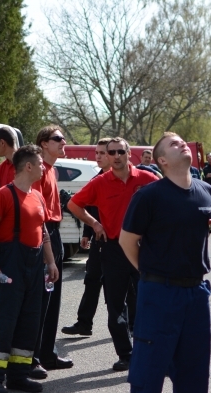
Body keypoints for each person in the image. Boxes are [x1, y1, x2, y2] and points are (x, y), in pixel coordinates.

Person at [119, 132, 211, 393]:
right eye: (173, 144)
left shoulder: (208, 192)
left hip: (196, 292)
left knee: (194, 366)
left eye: (182, 142)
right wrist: (151, 273)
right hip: (158, 291)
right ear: (161, 160)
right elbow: (127, 241)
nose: (183, 144)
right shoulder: (149, 196)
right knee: (149, 366)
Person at [68, 137, 158, 371]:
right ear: (107, 156)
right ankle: (125, 354)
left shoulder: (147, 179)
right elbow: (74, 204)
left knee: (148, 301)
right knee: (115, 305)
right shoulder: (100, 182)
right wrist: (95, 224)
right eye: (111, 152)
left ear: (129, 154)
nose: (116, 156)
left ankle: (149, 350)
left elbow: (166, 200)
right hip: (113, 249)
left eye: (120, 151)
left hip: (143, 249)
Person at [0, 145, 58, 393]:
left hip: (34, 265)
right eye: (40, 163)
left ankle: (18, 375)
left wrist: (51, 262)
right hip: (10, 264)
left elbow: (43, 232)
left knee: (29, 321)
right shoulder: (2, 195)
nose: (44, 167)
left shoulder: (37, 196)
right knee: (4, 321)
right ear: (28, 166)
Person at [31, 126, 73, 375]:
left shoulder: (52, 170)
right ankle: (32, 358)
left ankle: (47, 354)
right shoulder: (37, 170)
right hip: (43, 234)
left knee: (52, 300)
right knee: (40, 301)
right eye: (58, 139)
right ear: (44, 143)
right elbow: (34, 212)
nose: (63, 141)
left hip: (54, 233)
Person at [61, 138, 112, 337]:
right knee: (92, 280)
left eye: (102, 153)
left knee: (122, 287)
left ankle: (130, 325)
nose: (98, 157)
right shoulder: (96, 179)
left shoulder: (121, 180)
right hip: (99, 241)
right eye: (96, 153)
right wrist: (87, 233)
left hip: (118, 242)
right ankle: (84, 323)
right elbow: (89, 208)